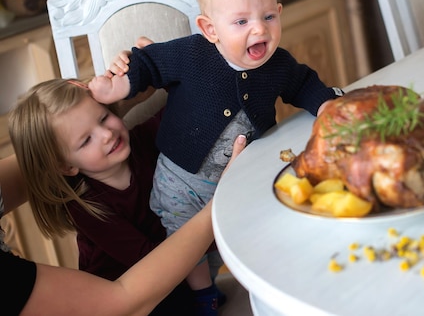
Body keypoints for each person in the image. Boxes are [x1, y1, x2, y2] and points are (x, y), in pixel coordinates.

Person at [89, 0, 343, 314]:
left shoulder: (279, 64)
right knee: (188, 246)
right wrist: (120, 86)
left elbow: (303, 84)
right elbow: (150, 63)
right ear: (210, 29)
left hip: (243, 173)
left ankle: (268, 282)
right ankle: (204, 296)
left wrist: (325, 105)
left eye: (269, 16)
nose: (260, 29)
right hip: (180, 178)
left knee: (253, 230)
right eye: (241, 21)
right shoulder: (192, 53)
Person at [0, 134, 245, 315]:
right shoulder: (87, 208)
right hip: (141, 292)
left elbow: (43, 152)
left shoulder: (135, 142)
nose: (106, 134)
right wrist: (219, 199)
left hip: (160, 278)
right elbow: (124, 302)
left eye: (104, 118)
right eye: (85, 140)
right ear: (67, 166)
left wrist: (128, 83)